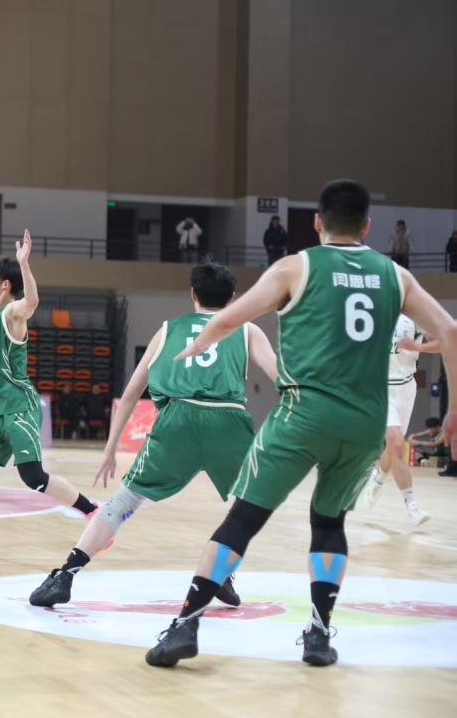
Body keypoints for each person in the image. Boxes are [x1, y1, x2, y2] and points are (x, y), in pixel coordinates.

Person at [145, 179, 457, 670]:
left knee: (243, 519)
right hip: (365, 421)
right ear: (367, 226)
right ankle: (318, 635)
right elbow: (450, 330)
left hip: (303, 414)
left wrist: (199, 344)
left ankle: (185, 625)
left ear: (316, 222)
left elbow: (228, 319)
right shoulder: (395, 276)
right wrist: (454, 408)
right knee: (329, 523)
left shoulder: (296, 267)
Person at [29, 262, 278, 608]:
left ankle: (65, 575)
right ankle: (220, 570)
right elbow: (280, 378)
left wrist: (110, 448)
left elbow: (132, 391)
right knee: (249, 506)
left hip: (177, 418)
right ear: (232, 298)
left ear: (192, 294)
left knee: (124, 502)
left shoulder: (167, 330)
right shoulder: (248, 329)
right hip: (228, 421)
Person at [0, 184, 98, 560]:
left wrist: (25, 265)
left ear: (5, 285)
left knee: (34, 478)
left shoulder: (12, 314)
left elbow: (32, 301)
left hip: (19, 410)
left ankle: (95, 514)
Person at [359, 315, 437, 525]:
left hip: (406, 388)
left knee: (394, 447)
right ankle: (413, 508)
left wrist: (418, 347)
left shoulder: (415, 315)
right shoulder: (372, 310)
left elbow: (442, 343)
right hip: (378, 388)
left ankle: (377, 478)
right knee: (396, 443)